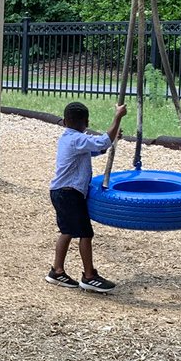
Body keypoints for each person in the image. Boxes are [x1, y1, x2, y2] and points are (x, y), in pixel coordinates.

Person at [47, 100, 128, 293]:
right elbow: (102, 142)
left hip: (60, 192)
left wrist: (112, 138)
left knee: (67, 231)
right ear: (87, 122)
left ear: (64, 121)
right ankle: (89, 276)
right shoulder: (77, 139)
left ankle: (57, 271)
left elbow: (97, 149)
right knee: (85, 233)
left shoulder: (68, 138)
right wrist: (117, 117)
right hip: (69, 194)